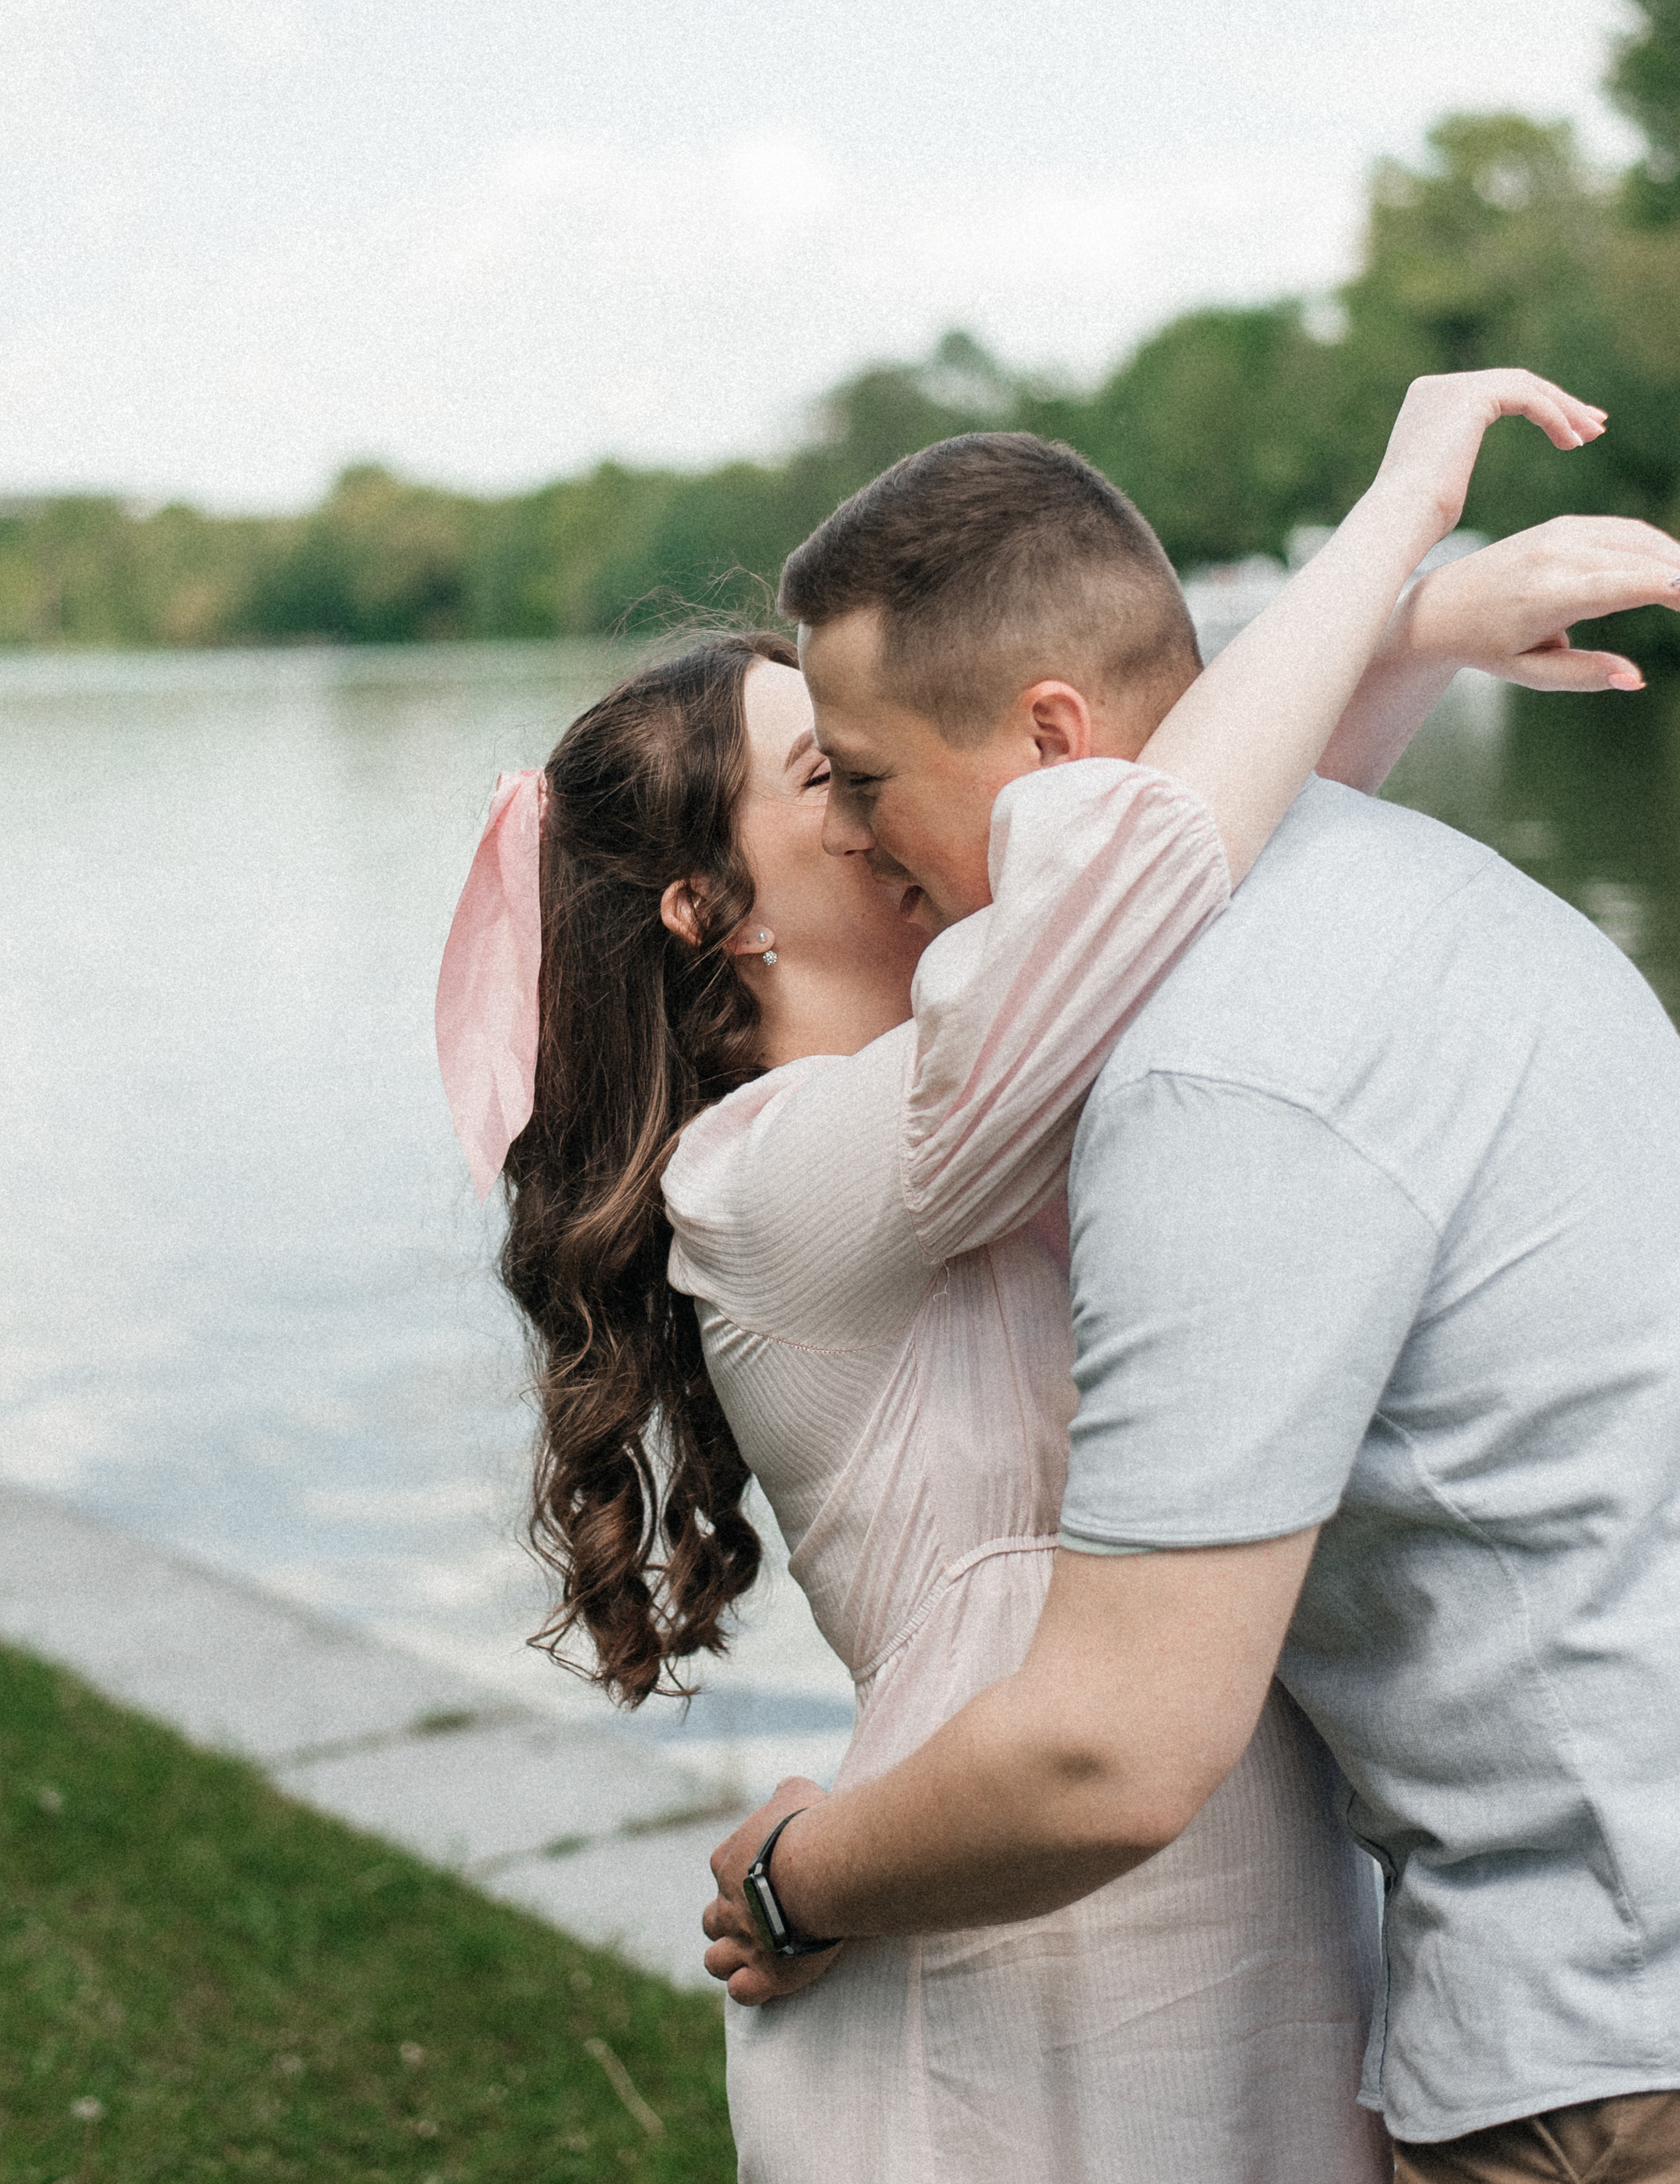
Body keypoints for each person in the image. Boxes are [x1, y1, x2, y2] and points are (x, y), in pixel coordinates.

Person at [435, 369, 1654, 2183]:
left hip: (1232, 1938)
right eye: (828, 776)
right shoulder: (758, 1181)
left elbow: (1179, 836)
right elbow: (1147, 845)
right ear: (709, 910)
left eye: (870, 769)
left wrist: (1413, 637)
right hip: (1000, 1958)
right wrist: (1397, 545)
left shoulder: (1014, 1058)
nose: (872, 813)